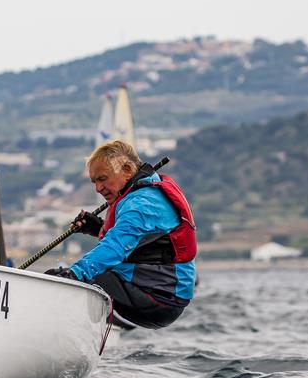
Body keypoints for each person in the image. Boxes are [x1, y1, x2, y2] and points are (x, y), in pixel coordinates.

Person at [45, 141, 196, 329]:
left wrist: (73, 275)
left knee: (83, 278)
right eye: (94, 182)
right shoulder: (138, 195)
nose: (98, 188)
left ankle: (53, 332)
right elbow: (139, 242)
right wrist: (98, 228)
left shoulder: (142, 204)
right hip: (151, 290)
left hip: (159, 299)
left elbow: (115, 247)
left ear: (126, 169)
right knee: (83, 275)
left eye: (102, 179)